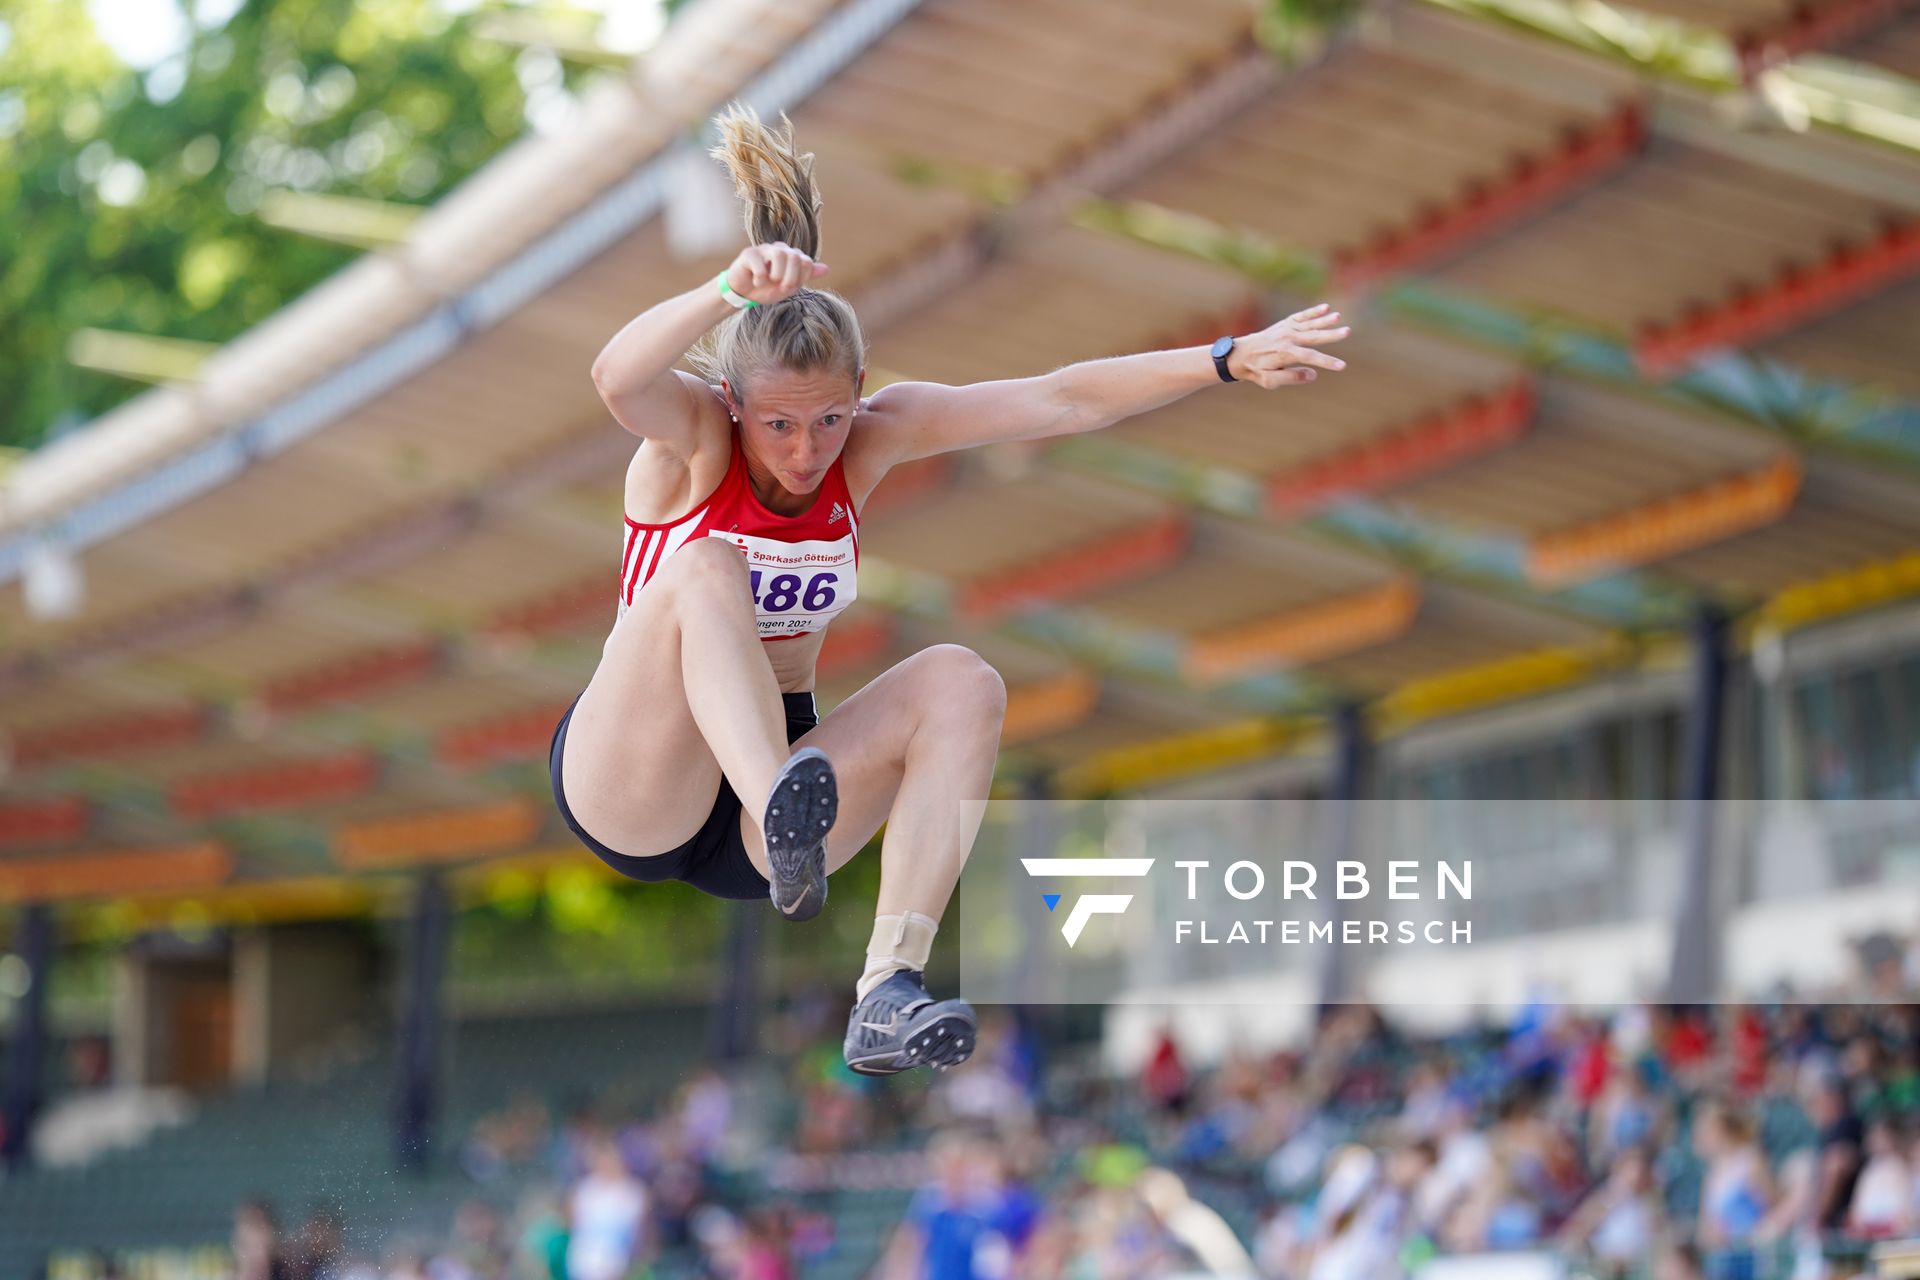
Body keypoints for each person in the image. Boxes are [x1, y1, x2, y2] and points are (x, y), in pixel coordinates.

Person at [551, 103, 1351, 1075]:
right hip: (638, 782)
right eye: (782, 428)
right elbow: (613, 375)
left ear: (859, 396)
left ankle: (888, 985)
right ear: (735, 404)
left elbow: (1058, 396)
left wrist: (1223, 358)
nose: (809, 453)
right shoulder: (691, 438)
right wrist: (723, 287)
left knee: (963, 679)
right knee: (705, 563)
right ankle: (780, 803)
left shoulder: (876, 436)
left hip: (773, 813)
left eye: (832, 420)